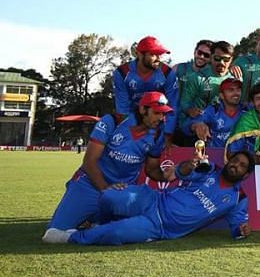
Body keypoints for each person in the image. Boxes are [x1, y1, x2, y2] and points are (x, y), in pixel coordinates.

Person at [42, 151, 257, 245]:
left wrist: (241, 231)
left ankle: (68, 237)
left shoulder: (239, 198)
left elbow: (237, 226)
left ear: (246, 175)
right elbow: (182, 173)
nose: (235, 165)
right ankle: (99, 220)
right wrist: (189, 164)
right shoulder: (210, 169)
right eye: (235, 160)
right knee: (109, 196)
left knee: (116, 233)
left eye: (241, 166)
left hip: (159, 227)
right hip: (153, 199)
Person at [44, 92, 176, 233]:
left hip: (122, 190)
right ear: (143, 109)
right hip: (90, 184)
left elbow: (152, 169)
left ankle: (96, 219)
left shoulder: (158, 134)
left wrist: (165, 175)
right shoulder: (112, 122)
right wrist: (106, 188)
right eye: (157, 113)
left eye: (164, 114)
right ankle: (92, 217)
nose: (161, 118)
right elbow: (89, 161)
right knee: (55, 232)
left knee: (131, 229)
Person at [112, 35, 178, 141]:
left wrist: (167, 134)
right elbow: (123, 108)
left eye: (159, 55)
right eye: (153, 54)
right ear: (139, 54)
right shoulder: (122, 73)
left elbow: (173, 106)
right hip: (133, 122)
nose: (158, 59)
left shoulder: (167, 73)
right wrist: (130, 134)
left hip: (159, 123)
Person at [180, 41, 236, 133]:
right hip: (199, 126)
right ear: (211, 58)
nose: (221, 62)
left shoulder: (236, 80)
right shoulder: (196, 78)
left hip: (225, 128)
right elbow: (184, 103)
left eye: (226, 59)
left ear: (231, 59)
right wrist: (190, 111)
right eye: (217, 58)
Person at [186, 77, 248, 148]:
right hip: (215, 155)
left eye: (238, 90)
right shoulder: (213, 110)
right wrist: (197, 125)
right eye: (231, 90)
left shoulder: (247, 110)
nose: (236, 93)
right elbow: (188, 124)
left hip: (240, 156)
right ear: (221, 95)